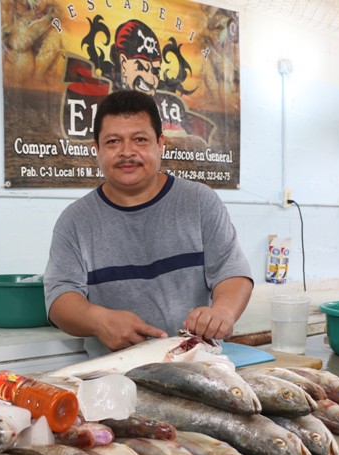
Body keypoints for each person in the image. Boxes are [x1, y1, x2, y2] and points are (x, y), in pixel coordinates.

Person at [43, 90, 253, 357]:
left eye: (140, 139)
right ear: (97, 149)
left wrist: (222, 312)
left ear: (160, 143)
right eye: (113, 142)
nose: (127, 152)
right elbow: (60, 298)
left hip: (195, 363)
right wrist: (98, 319)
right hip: (113, 372)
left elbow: (231, 272)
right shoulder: (74, 221)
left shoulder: (200, 201)